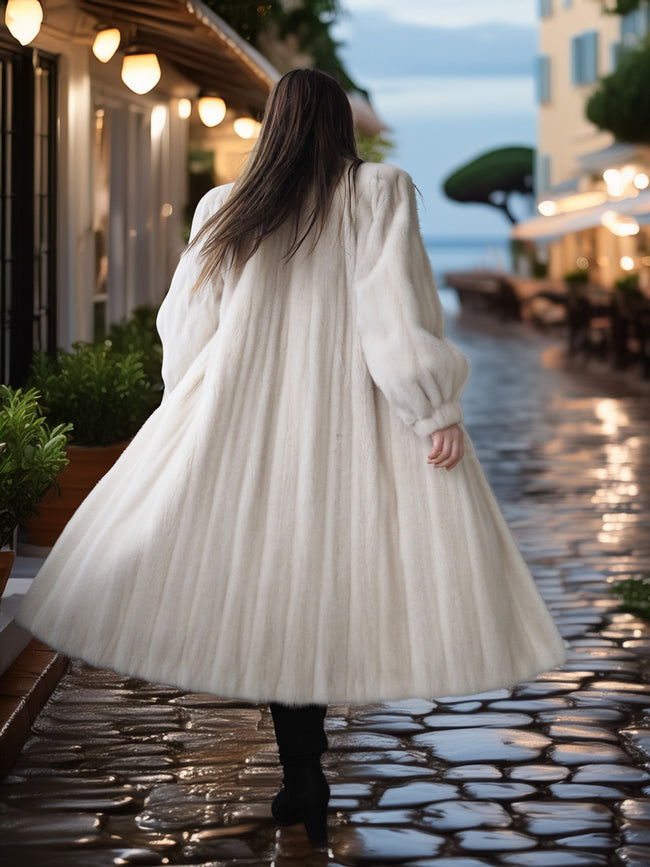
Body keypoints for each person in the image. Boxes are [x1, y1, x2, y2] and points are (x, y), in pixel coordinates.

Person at [17, 69, 566, 847]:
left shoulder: (225, 206)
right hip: (346, 422)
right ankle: (307, 773)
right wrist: (432, 407)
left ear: (273, 124)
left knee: (281, 588)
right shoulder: (378, 191)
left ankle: (300, 774)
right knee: (328, 582)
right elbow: (394, 313)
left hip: (241, 424)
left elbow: (186, 324)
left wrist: (187, 404)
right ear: (341, 124)